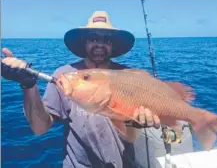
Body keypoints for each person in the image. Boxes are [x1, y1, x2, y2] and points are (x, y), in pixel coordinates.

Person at [1, 11, 193, 168]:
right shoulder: (65, 75)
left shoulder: (129, 76)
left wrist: (143, 122)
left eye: (106, 40)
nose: (99, 44)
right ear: (84, 42)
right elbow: (40, 128)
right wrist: (29, 85)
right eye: (93, 38)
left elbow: (133, 125)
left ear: (112, 45)